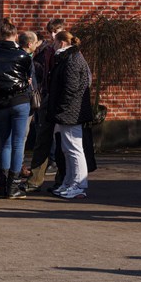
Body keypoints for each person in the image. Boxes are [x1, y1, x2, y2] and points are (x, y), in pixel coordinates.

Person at [0, 18, 34, 199]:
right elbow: (28, 77)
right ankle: (13, 187)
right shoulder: (23, 56)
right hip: (19, 101)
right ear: (15, 35)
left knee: (5, 143)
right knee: (18, 143)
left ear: (0, 35)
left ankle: (1, 185)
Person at [46, 30, 92, 199]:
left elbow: (71, 88)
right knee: (67, 148)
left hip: (71, 111)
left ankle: (78, 184)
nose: (53, 45)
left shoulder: (72, 59)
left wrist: (62, 107)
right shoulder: (70, 58)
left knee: (74, 148)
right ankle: (69, 181)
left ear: (62, 43)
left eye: (55, 42)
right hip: (69, 111)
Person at [25, 18, 65, 192]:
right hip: (47, 99)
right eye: (52, 32)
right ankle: (35, 180)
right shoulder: (47, 52)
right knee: (42, 140)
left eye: (57, 32)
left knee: (63, 144)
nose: (54, 35)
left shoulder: (71, 55)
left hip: (62, 103)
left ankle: (61, 180)